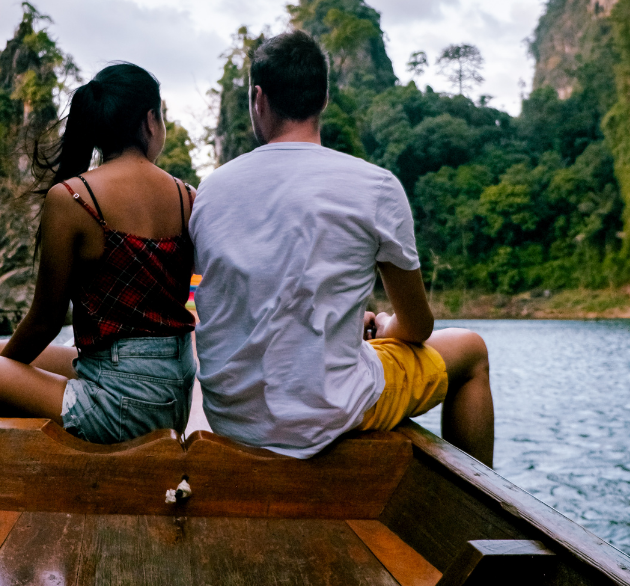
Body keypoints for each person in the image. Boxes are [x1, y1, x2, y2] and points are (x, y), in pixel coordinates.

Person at [189, 30, 494, 465]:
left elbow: (217, 298)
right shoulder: (376, 186)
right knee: (472, 350)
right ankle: (479, 519)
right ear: (324, 97)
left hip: (233, 418)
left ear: (258, 98)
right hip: (331, 412)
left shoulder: (211, 191)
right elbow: (418, 327)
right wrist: (383, 326)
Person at [0, 62, 198, 444]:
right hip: (173, 392)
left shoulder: (74, 197)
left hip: (121, 403)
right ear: (150, 121)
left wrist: (1, 374)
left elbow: (45, 321)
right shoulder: (188, 196)